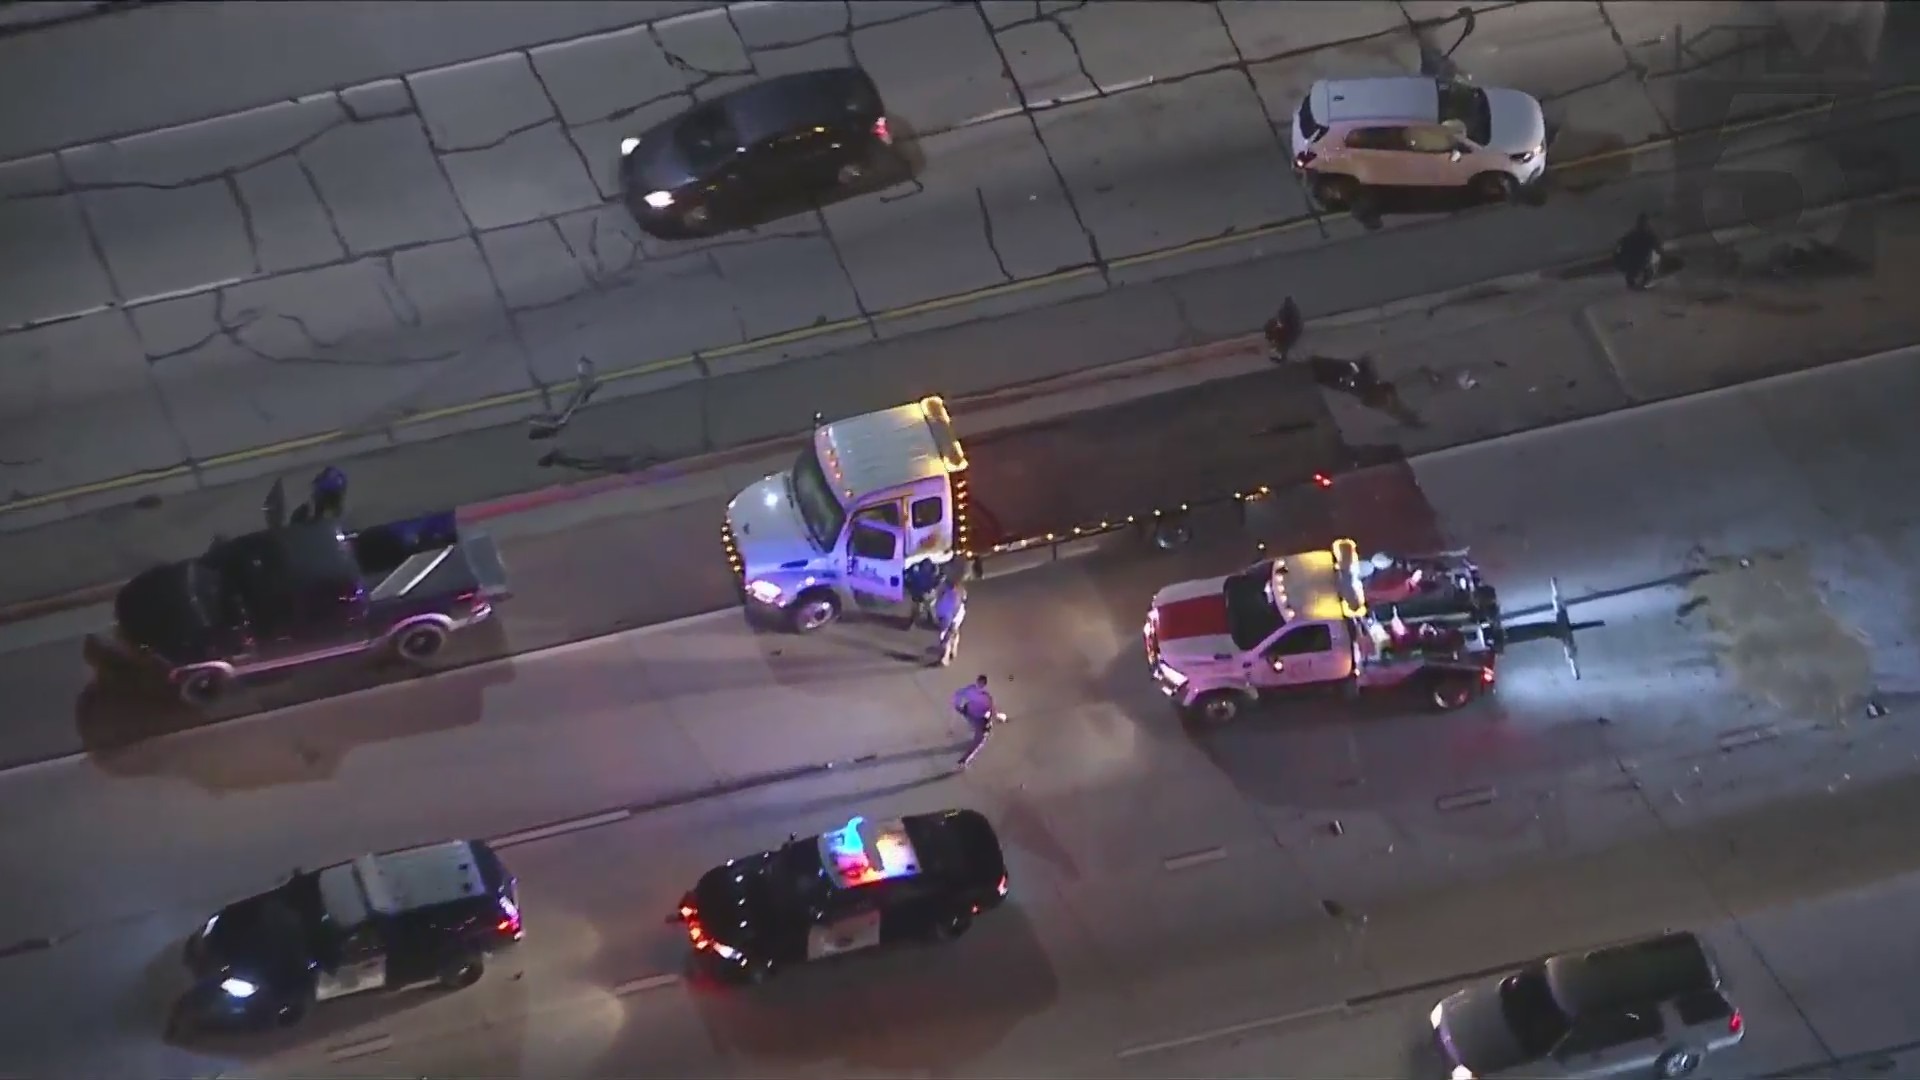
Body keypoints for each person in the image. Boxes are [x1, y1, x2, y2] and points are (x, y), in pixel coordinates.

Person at [952, 674, 1004, 769]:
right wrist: (997, 717)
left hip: (969, 713)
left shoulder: (970, 689)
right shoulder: (987, 696)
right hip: (980, 719)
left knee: (975, 726)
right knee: (980, 740)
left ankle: (964, 759)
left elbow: (958, 694)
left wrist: (957, 705)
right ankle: (964, 760)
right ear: (985, 684)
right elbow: (992, 709)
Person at [1614, 212, 1663, 290]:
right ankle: (1640, 281)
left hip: (1633, 260)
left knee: (1642, 267)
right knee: (1647, 267)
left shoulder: (1631, 234)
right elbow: (1657, 246)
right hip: (1638, 260)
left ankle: (1635, 280)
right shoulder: (1647, 234)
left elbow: (1621, 246)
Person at [929, 572, 967, 667]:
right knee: (951, 633)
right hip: (955, 614)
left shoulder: (947, 594)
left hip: (955, 615)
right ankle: (951, 650)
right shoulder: (957, 591)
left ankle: (947, 656)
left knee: (949, 635)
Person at [1264, 295, 1303, 363]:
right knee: (1284, 345)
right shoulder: (1292, 309)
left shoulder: (1284, 310)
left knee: (1284, 345)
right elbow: (1296, 321)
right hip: (1289, 330)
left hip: (1289, 330)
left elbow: (1293, 322)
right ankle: (1282, 357)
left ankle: (1282, 357)